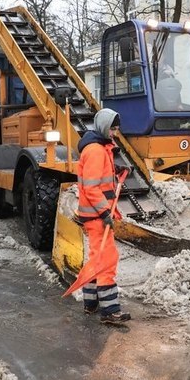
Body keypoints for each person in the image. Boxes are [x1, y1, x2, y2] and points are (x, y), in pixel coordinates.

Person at [76, 108, 131, 324]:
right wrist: (105, 212)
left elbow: (99, 177)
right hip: (98, 216)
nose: (115, 133)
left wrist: (114, 169)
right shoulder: (96, 151)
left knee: (97, 257)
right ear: (104, 127)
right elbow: (91, 188)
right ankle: (110, 311)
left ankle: (91, 303)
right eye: (113, 129)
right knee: (107, 260)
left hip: (94, 215)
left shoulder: (98, 148)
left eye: (117, 129)